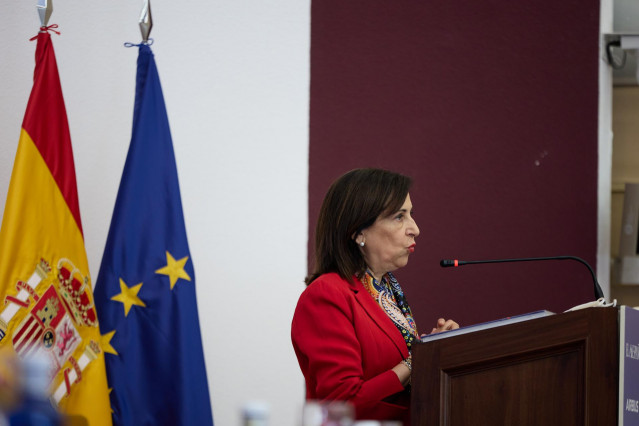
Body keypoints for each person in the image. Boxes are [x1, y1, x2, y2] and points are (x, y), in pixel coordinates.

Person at [291, 168, 458, 425]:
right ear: (358, 232)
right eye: (399, 217)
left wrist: (437, 348)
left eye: (411, 214)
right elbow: (341, 406)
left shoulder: (388, 290)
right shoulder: (327, 295)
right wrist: (417, 361)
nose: (415, 229)